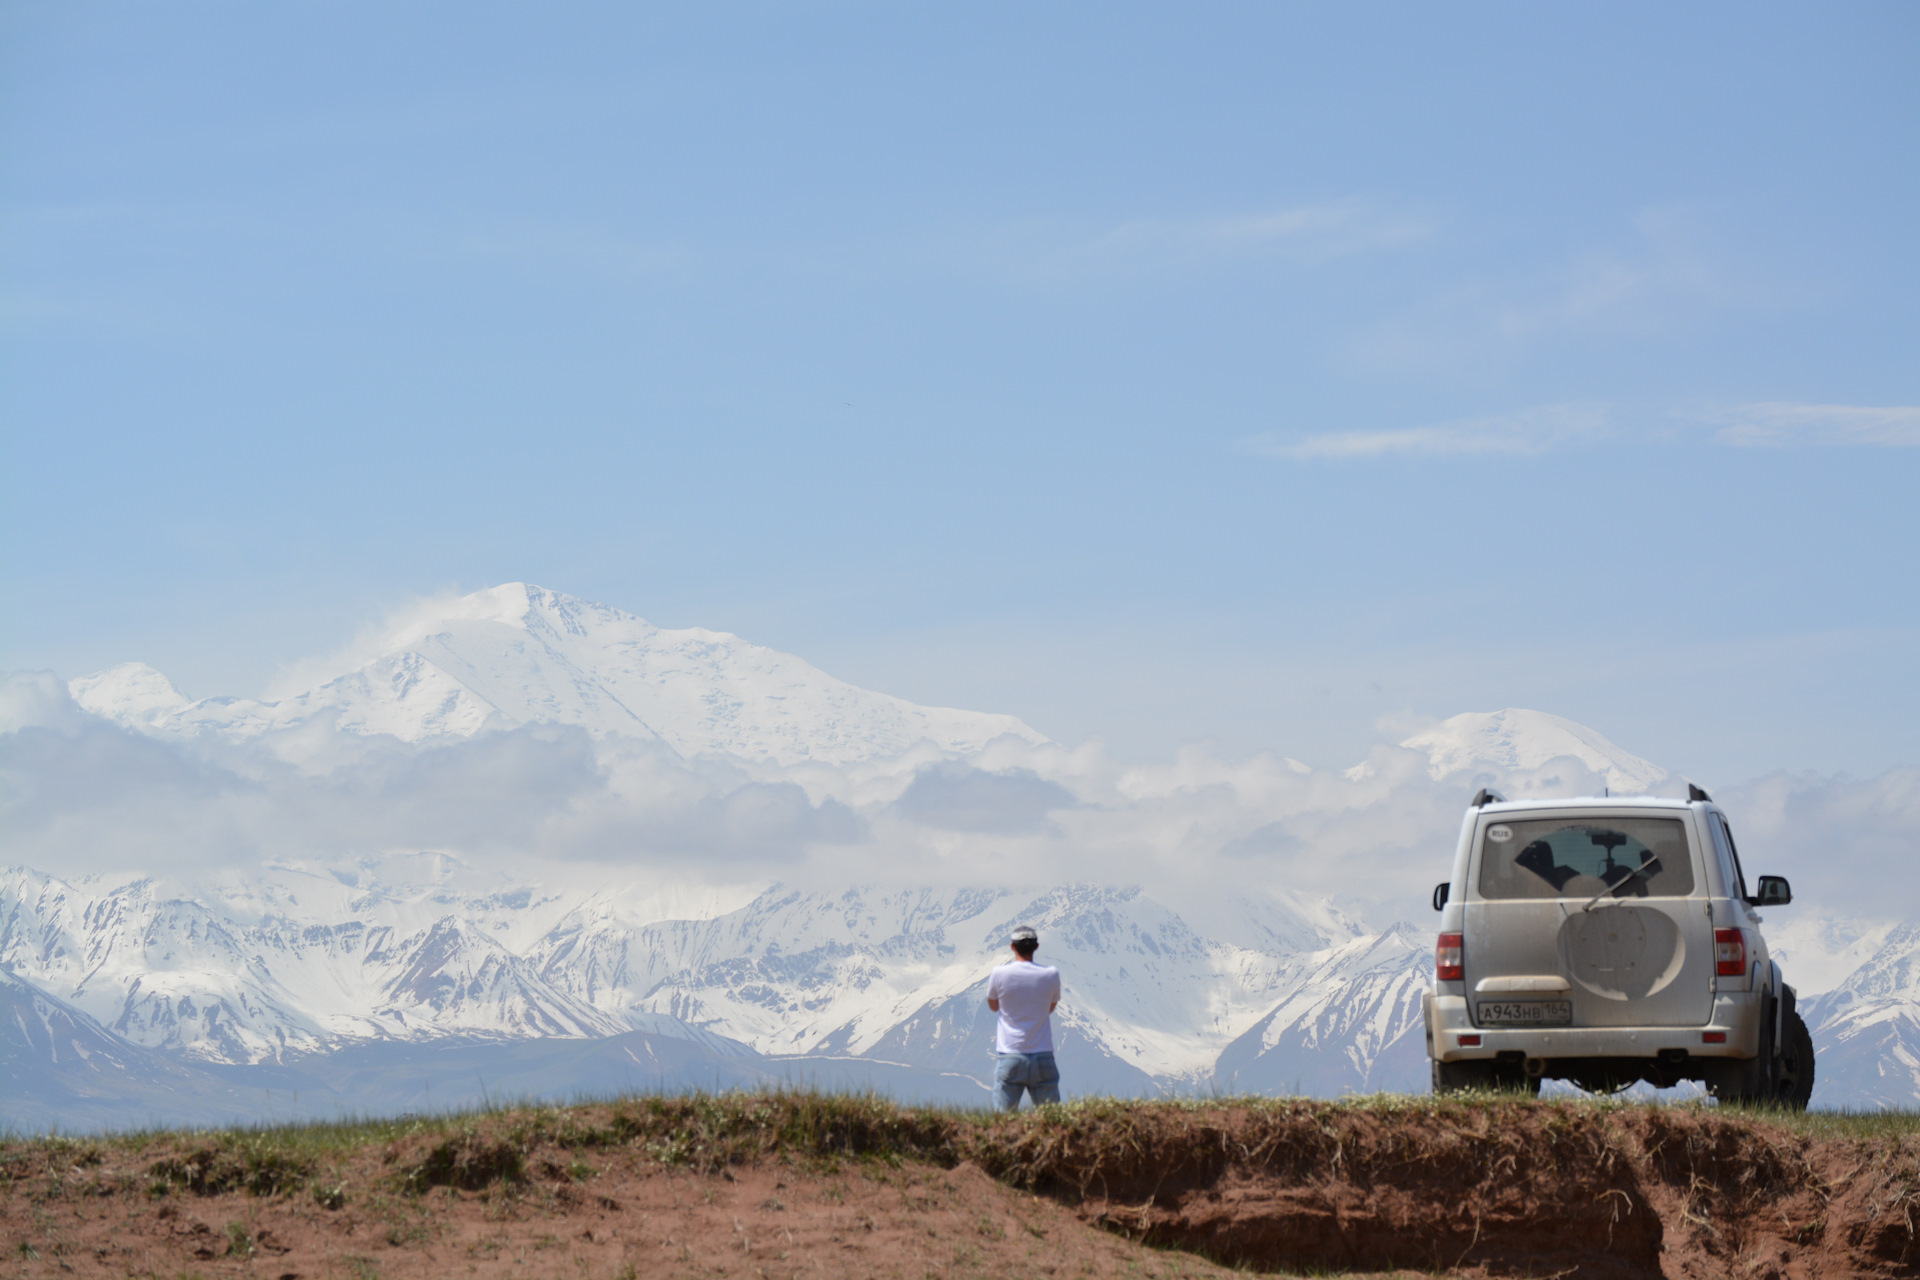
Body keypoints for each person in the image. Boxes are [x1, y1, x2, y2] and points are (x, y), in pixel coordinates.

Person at [985, 925, 1062, 1111]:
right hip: (1043, 1054)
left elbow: (993, 1006)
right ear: (1036, 947)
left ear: (1012, 947)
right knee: (1052, 1121)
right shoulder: (1051, 974)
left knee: (1002, 1123)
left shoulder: (999, 974)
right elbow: (1050, 1008)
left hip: (1010, 1054)